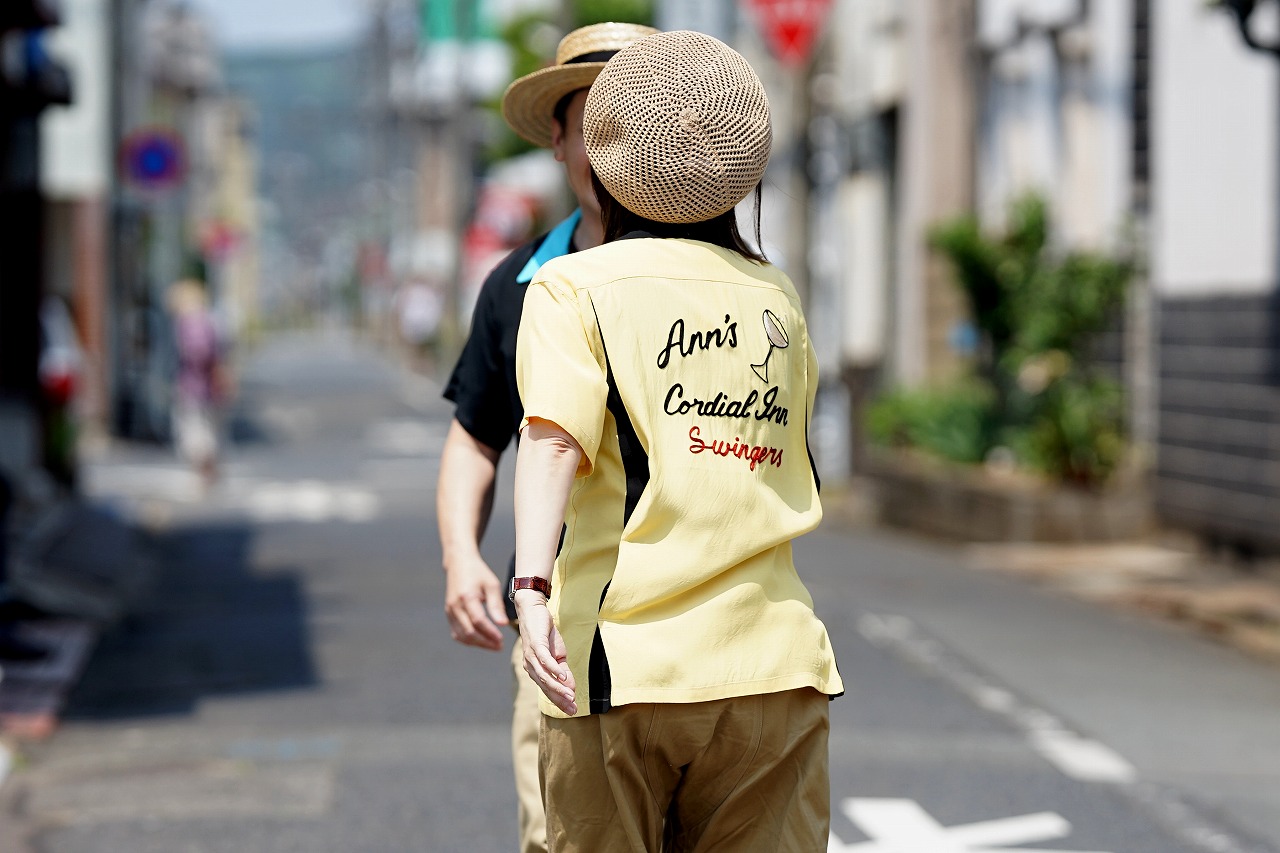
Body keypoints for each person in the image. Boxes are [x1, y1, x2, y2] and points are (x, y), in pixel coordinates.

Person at [511, 30, 844, 851]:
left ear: (603, 160)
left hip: (623, 664)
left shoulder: (572, 286)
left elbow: (553, 443)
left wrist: (531, 588)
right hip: (774, 664)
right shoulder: (777, 293)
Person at [434, 22, 657, 853]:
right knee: (560, 836)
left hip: (705, 616)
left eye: (632, 123)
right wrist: (462, 556)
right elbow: (475, 435)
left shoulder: (714, 279)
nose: (612, 149)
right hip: (559, 625)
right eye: (593, 126)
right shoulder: (518, 286)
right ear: (559, 140)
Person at [167, 279, 226, 489]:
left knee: (194, 431)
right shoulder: (210, 319)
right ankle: (209, 471)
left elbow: (199, 352)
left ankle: (203, 473)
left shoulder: (189, 322)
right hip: (210, 385)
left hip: (192, 384)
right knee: (208, 429)